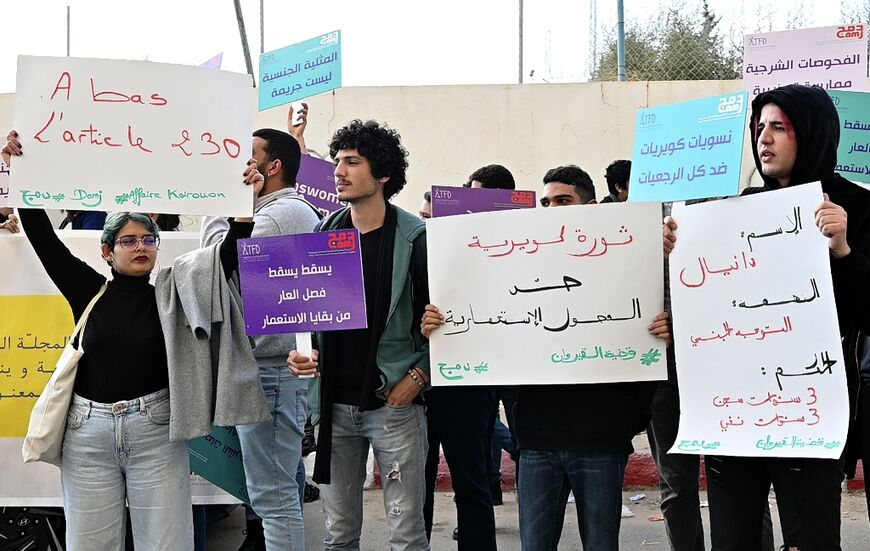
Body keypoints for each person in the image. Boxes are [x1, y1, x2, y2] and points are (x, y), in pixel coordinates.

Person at [1, 130, 267, 551]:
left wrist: (243, 212)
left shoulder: (174, 291)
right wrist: (23, 172)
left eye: (147, 239)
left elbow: (226, 260)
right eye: (128, 240)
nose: (140, 246)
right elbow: (44, 240)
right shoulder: (87, 289)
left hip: (156, 434)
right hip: (87, 437)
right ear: (108, 252)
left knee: (165, 544)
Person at [663, 84, 870, 551]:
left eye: (779, 127)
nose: (764, 139)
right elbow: (719, 305)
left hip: (811, 416)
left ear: (812, 133)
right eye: (759, 128)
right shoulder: (734, 210)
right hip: (735, 415)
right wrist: (681, 250)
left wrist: (843, 249)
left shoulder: (854, 208)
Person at [423, 164, 664, 551]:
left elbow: (646, 345)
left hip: (601, 440)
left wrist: (627, 420)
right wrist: (441, 325)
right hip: (536, 441)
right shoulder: (516, 266)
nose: (552, 210)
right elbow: (483, 328)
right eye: (546, 202)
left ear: (589, 207)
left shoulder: (626, 264)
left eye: (564, 201)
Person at [288, 119, 431, 551]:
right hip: (332, 405)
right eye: (336, 162)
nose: (338, 172)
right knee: (337, 535)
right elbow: (303, 311)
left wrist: (418, 378)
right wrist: (302, 354)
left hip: (394, 404)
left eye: (352, 162)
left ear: (383, 174)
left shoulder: (416, 238)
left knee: (406, 536)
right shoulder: (322, 233)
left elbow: (445, 323)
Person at [202, 127, 320, 551]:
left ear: (274, 167)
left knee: (273, 499)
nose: (241, 165)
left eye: (251, 157)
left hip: (271, 374)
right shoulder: (284, 211)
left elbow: (213, 262)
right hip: (273, 371)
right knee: (277, 492)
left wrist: (224, 204)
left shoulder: (280, 215)